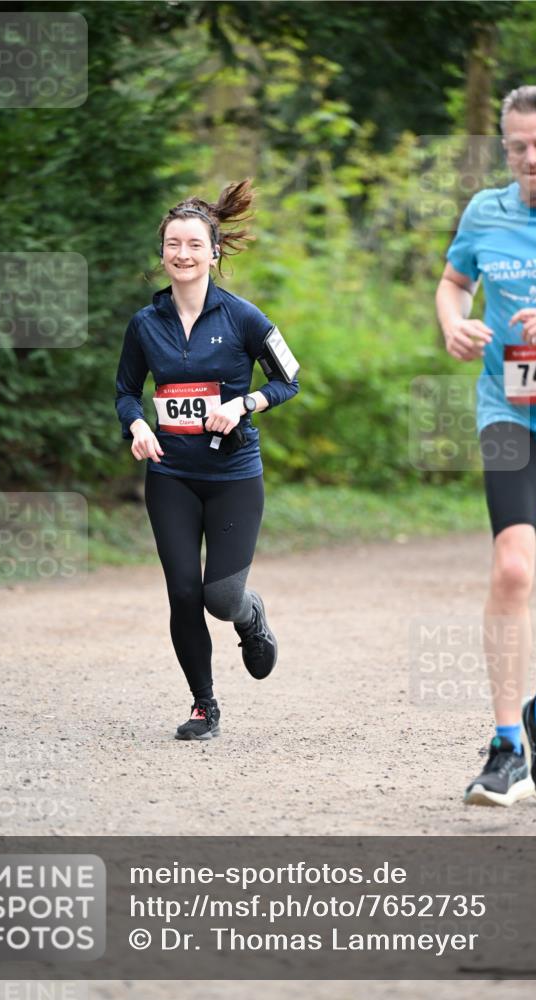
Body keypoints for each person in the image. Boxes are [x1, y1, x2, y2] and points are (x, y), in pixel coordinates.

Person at [435, 85, 536, 806]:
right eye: (515, 146)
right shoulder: (485, 211)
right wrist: (452, 322)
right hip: (507, 408)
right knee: (512, 566)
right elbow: (452, 282)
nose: (529, 157)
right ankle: (504, 744)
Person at [115, 179, 299, 740]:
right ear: (163, 252)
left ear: (213, 252)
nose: (183, 254)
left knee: (220, 597)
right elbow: (125, 391)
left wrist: (244, 402)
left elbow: (288, 379)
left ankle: (250, 615)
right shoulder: (146, 324)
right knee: (182, 592)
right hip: (170, 473)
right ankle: (204, 704)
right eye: (173, 244)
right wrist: (138, 423)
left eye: (195, 244)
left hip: (232, 476)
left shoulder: (244, 317)